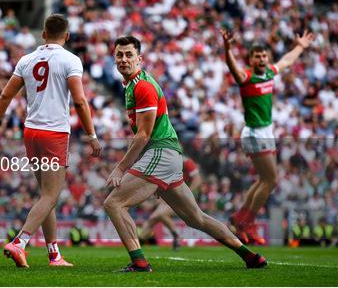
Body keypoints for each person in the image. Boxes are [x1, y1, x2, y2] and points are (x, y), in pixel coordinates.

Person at [103, 35, 266, 272]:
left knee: (114, 203)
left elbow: (144, 135)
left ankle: (139, 262)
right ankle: (250, 256)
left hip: (160, 152)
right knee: (196, 218)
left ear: (140, 59)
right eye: (119, 55)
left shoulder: (143, 87)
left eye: (129, 55)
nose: (124, 59)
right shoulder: (134, 85)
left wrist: (121, 167)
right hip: (166, 156)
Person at [0, 14, 101, 268]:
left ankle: (54, 254)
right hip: (54, 133)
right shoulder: (70, 60)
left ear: (43, 34)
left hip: (31, 132)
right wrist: (91, 136)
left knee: (46, 196)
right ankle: (19, 242)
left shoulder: (27, 60)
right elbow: (79, 101)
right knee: (50, 196)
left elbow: (5, 96)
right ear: (67, 36)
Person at [221, 29, 314, 245]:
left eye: (264, 56)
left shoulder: (270, 72)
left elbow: (286, 61)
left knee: (265, 180)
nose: (262, 59)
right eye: (257, 56)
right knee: (271, 180)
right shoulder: (247, 77)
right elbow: (232, 67)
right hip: (255, 133)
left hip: (265, 132)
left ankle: (240, 218)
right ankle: (248, 221)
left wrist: (300, 46)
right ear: (251, 60)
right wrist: (227, 48)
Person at [139, 157, 202, 250]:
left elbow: (198, 180)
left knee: (160, 214)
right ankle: (139, 242)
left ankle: (177, 236)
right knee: (153, 218)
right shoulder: (169, 163)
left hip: (184, 198)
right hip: (172, 196)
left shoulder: (187, 162)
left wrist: (186, 193)